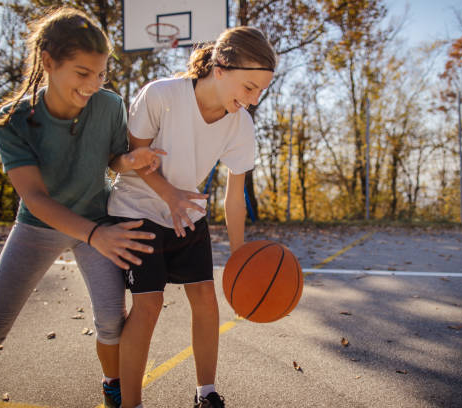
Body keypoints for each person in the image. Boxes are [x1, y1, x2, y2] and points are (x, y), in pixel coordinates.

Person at [0, 7, 164, 407]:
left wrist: (129, 161)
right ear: (48, 63)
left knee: (111, 322)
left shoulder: (109, 105)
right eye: (82, 73)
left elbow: (113, 158)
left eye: (101, 73)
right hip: (41, 226)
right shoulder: (13, 120)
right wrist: (95, 234)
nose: (93, 84)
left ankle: (112, 385)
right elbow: (35, 198)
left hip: (96, 222)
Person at [107, 26, 276, 408]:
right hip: (137, 208)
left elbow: (235, 199)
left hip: (186, 214)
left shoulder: (240, 124)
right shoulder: (162, 95)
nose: (252, 100)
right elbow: (133, 159)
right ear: (220, 68)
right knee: (148, 306)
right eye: (249, 87)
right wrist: (169, 194)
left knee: (206, 299)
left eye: (260, 91)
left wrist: (239, 258)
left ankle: (206, 393)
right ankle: (130, 403)